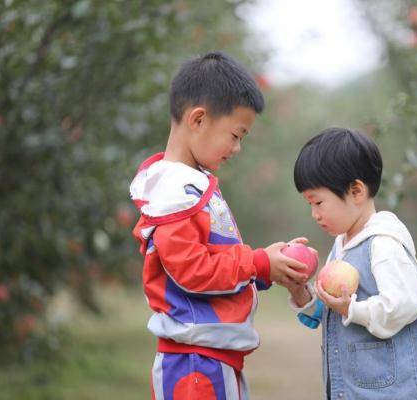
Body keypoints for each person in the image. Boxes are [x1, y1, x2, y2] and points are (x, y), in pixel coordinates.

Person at [129, 51, 308, 400]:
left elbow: (215, 262)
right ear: (198, 120)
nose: (238, 148)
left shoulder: (193, 185)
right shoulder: (173, 192)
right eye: (236, 134)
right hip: (193, 365)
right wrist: (256, 262)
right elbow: (192, 270)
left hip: (211, 359)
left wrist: (267, 269)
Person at [287, 127, 417, 399]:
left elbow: (405, 303)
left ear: (356, 191)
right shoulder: (341, 246)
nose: (314, 214)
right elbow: (330, 312)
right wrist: (298, 288)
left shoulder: (384, 243)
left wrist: (352, 308)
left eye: (318, 202)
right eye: (309, 204)